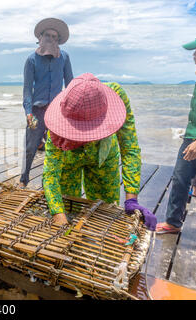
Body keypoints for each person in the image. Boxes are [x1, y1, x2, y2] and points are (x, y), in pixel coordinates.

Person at [41, 73, 156, 231]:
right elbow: (51, 173)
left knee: (105, 215)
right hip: (68, 160)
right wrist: (58, 214)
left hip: (104, 157)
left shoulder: (118, 96)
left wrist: (131, 199)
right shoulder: (59, 120)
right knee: (69, 209)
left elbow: (129, 147)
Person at [19, 18, 74, 188]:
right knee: (30, 147)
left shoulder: (64, 57)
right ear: (40, 37)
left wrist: (70, 110)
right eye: (47, 35)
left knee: (57, 148)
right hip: (37, 110)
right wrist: (28, 113)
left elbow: (70, 84)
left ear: (58, 40)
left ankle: (51, 184)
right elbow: (28, 90)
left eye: (54, 37)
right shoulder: (31, 60)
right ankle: (23, 179)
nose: (51, 39)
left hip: (57, 111)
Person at [156, 39, 196, 234]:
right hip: (191, 134)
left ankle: (172, 222)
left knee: (181, 177)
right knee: (183, 176)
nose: (194, 55)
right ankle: (173, 221)